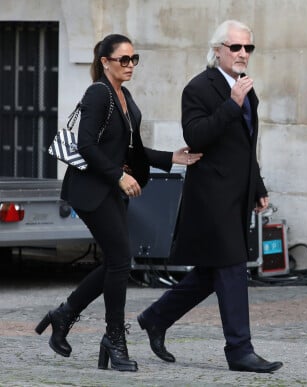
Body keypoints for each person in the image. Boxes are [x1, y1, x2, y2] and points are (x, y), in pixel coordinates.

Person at [35, 34, 202, 372]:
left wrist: (171, 157)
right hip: (92, 190)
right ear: (105, 62)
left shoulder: (123, 95)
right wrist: (117, 176)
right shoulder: (98, 93)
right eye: (123, 59)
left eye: (134, 59)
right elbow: (85, 144)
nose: (130, 65)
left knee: (118, 261)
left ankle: (64, 315)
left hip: (111, 190)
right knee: (120, 261)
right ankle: (113, 338)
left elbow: (130, 150)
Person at [136, 20, 283, 373]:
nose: (243, 54)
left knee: (209, 274)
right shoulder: (199, 88)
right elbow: (196, 136)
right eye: (236, 48)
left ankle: (156, 318)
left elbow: (246, 146)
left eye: (248, 48)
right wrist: (231, 104)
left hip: (237, 195)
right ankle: (239, 351)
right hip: (211, 196)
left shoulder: (247, 89)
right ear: (218, 50)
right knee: (232, 268)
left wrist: (258, 187)